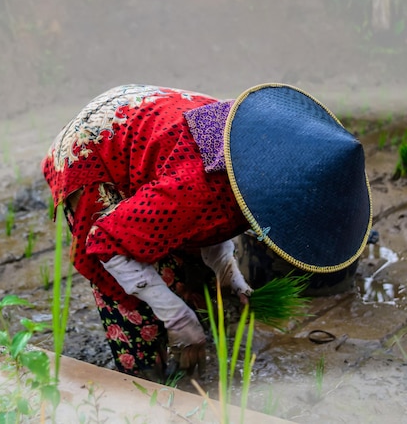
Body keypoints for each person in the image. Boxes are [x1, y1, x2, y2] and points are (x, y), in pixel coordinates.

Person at [42, 83, 372, 381]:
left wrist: (230, 274)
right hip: (94, 151)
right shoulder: (191, 190)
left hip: (156, 144)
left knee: (187, 270)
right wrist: (177, 319)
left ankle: (189, 341)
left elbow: (214, 219)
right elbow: (106, 243)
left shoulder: (254, 157)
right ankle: (142, 378)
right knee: (138, 299)